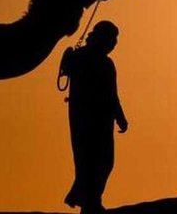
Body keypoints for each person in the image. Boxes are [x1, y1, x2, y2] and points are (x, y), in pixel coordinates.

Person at [63, 21, 128, 213]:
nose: (113, 44)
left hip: (101, 120)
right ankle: (90, 202)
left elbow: (112, 93)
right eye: (111, 39)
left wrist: (119, 116)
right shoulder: (82, 58)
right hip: (86, 121)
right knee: (89, 161)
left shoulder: (105, 63)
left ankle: (91, 200)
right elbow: (108, 93)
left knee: (104, 161)